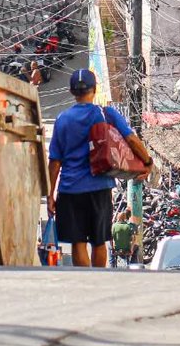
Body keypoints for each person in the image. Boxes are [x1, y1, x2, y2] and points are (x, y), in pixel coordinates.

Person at [46, 68, 152, 269]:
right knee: (98, 240)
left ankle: (85, 281)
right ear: (94, 90)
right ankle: (99, 279)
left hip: (70, 190)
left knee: (78, 242)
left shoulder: (62, 120)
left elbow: (55, 162)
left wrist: (50, 194)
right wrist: (147, 161)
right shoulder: (105, 113)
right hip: (100, 187)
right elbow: (130, 138)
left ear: (71, 92)